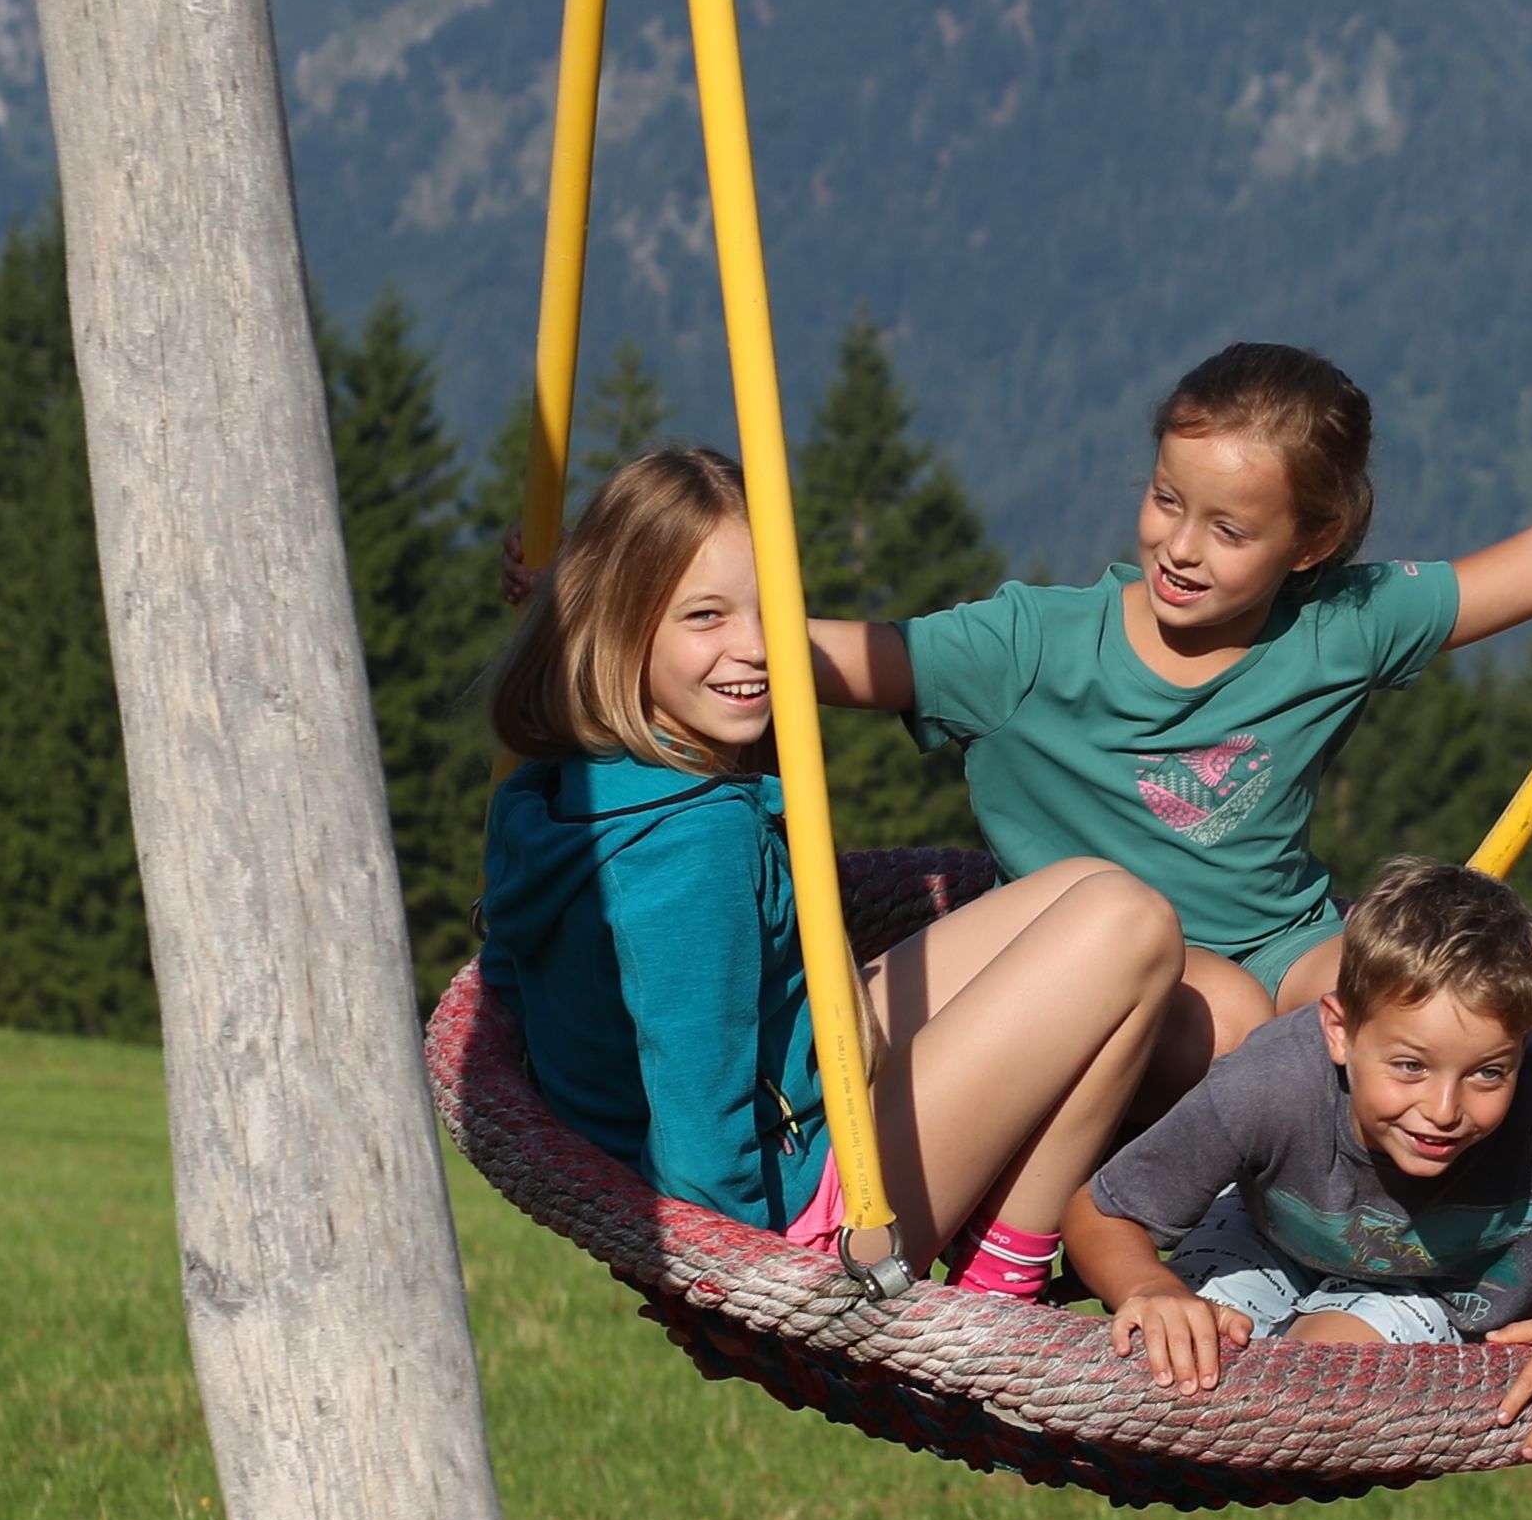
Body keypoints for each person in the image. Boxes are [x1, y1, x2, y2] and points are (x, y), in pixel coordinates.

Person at [800, 341, 1532, 1082]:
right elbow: (836, 661)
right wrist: (685, 642)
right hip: (1105, 977)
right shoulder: (1030, 647)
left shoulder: (1337, 626)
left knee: (1420, 1015)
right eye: (1168, 501)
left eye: (1230, 529)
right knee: (1233, 1025)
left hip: (1282, 946)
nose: (1181, 546)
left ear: (1310, 544)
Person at [479, 446, 1180, 1303]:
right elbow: (700, 1151)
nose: (757, 649)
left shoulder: (558, 786)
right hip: (803, 1223)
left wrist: (553, 593)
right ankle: (1000, 1283)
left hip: (797, 1098)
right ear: (621, 627)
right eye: (706, 617)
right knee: (1128, 925)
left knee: (1081, 889)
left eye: (774, 612)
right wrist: (751, 1302)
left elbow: (517, 974)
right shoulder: (693, 846)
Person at [1063, 859, 1532, 1462]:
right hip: (1264, 1241)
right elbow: (1098, 1212)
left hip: (1427, 1289)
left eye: (1489, 1073)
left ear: (1523, 1049)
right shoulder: (1270, 1081)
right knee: (1187, 1363)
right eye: (1409, 1066)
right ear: (1338, 1030)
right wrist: (1150, 1292)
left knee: (1315, 1384)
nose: (1443, 1109)